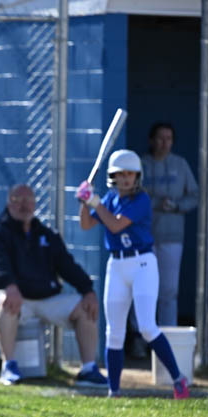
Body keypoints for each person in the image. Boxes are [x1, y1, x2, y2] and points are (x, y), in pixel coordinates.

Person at [77, 149, 190, 399]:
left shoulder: (141, 199)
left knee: (147, 327)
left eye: (130, 174)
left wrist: (94, 201)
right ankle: (114, 391)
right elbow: (86, 224)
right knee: (114, 332)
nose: (126, 178)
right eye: (121, 174)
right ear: (113, 177)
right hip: (117, 265)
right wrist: (84, 202)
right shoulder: (109, 199)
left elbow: (115, 224)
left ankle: (178, 379)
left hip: (142, 264)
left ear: (137, 176)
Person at [0, 184, 107, 387]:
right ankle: (9, 366)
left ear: (35, 204)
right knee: (7, 301)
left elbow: (68, 266)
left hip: (45, 299)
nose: (24, 205)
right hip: (13, 299)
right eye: (18, 200)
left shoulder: (46, 234)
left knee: (85, 306)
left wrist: (88, 290)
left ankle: (88, 370)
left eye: (29, 200)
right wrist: (9, 286)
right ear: (8, 203)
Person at [140, 122, 199, 327]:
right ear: (151, 140)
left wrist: (176, 205)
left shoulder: (180, 164)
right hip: (145, 237)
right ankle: (140, 334)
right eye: (160, 138)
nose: (164, 143)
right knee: (144, 289)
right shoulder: (142, 164)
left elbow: (194, 195)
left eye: (169, 139)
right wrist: (156, 202)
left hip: (172, 237)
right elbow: (133, 195)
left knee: (168, 290)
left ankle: (167, 334)